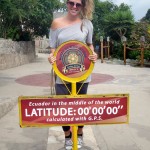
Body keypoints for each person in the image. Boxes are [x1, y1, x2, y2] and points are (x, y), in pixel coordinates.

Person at [48, 0, 97, 149]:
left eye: (78, 4)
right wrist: (51, 57)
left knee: (81, 106)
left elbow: (89, 44)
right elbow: (53, 48)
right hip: (62, 73)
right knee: (63, 107)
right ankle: (68, 136)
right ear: (66, 3)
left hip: (82, 72)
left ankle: (80, 134)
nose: (74, 7)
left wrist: (93, 53)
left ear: (83, 5)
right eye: (71, 3)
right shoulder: (56, 23)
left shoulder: (87, 24)